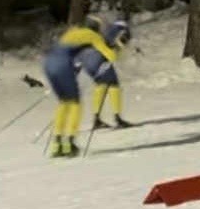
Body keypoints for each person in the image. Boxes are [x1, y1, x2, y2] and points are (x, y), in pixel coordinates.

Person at [42, 15, 119, 158]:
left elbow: (72, 52)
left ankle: (57, 143)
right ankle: (69, 143)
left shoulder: (73, 32)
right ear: (96, 27)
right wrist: (117, 47)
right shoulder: (93, 36)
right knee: (75, 104)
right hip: (63, 64)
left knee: (64, 102)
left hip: (49, 63)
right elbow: (111, 56)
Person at [77, 20, 134, 129]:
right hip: (100, 63)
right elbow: (112, 55)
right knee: (114, 84)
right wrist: (119, 47)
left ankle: (96, 119)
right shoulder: (112, 33)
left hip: (88, 66)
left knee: (101, 85)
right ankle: (117, 118)